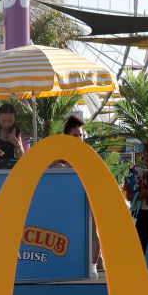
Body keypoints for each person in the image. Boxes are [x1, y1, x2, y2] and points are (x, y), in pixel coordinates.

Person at [60, 115, 103, 278]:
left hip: (88, 195)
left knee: (93, 232)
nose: (79, 138)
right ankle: (75, 264)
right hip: (69, 200)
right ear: (67, 137)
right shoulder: (60, 153)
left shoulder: (88, 152)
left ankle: (92, 266)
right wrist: (59, 165)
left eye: (81, 135)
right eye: (75, 135)